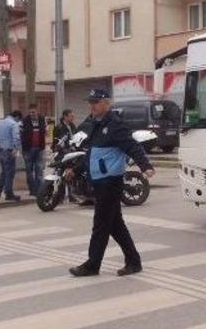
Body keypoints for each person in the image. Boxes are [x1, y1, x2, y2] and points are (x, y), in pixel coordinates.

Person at [69, 89, 155, 278]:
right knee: (116, 226)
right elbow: (92, 154)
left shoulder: (115, 125)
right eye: (90, 102)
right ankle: (134, 261)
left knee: (100, 225)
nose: (92, 105)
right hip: (99, 182)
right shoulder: (94, 125)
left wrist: (145, 165)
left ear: (107, 103)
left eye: (96, 102)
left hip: (110, 183)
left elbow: (132, 146)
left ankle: (92, 265)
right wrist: (75, 170)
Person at [0, 110, 23, 201]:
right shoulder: (13, 124)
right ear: (17, 117)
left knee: (4, 172)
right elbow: (16, 137)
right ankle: (8, 193)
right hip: (9, 150)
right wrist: (17, 148)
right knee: (10, 173)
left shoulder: (0, 123)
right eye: (18, 120)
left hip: (0, 150)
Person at [21, 104, 47, 197]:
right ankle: (32, 190)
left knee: (39, 170)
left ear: (37, 111)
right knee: (29, 170)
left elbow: (45, 132)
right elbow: (22, 135)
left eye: (34, 112)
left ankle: (40, 190)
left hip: (39, 148)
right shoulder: (25, 121)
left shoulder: (41, 119)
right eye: (30, 112)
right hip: (28, 149)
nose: (32, 114)